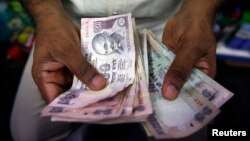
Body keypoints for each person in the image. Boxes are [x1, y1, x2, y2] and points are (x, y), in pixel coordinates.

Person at [10, 0, 223, 140]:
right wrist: (46, 15)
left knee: (185, 130)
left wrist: (201, 10)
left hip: (168, 26)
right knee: (28, 134)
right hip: (69, 26)